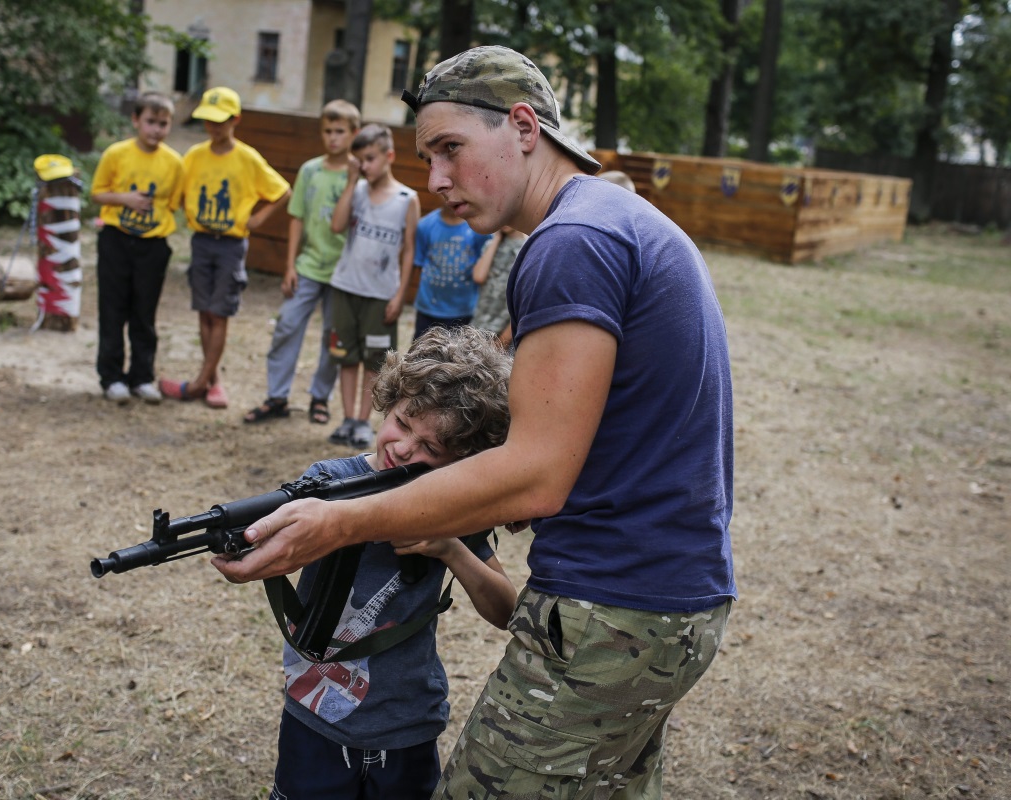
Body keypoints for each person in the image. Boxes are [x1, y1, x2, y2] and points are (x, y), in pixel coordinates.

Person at [215, 44, 736, 799]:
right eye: (428, 158)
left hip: (613, 608)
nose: (437, 180)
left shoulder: (571, 243)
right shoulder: (616, 220)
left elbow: (535, 475)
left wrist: (339, 523)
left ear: (524, 127)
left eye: (451, 149)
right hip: (671, 601)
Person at [271, 325, 519, 800]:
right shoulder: (326, 482)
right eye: (403, 424)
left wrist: (449, 546)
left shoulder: (452, 506)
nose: (404, 448)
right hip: (315, 712)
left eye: (431, 449)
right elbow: (267, 547)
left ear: (460, 464)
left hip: (407, 724)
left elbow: (506, 609)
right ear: (387, 402)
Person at [161, 86, 291, 409]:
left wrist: (259, 218)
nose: (213, 127)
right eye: (208, 121)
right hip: (201, 241)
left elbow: (282, 191)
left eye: (220, 121)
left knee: (220, 313)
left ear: (236, 120)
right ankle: (213, 380)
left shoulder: (247, 158)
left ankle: (200, 383)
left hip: (231, 245)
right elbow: (177, 196)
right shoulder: (193, 156)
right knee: (204, 310)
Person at [243, 99, 361, 426]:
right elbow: (296, 218)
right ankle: (276, 396)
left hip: (343, 274)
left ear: (354, 133)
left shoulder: (360, 175)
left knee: (332, 337)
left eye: (340, 132)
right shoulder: (310, 170)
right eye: (327, 131)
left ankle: (320, 397)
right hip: (308, 265)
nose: (333, 138)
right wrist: (290, 265)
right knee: (287, 325)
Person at [323, 123, 420, 450]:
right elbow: (337, 225)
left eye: (369, 158)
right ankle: (347, 418)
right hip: (346, 288)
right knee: (345, 356)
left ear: (389, 156)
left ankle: (364, 421)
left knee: (375, 362)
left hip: (381, 296)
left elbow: (408, 250)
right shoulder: (358, 190)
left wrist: (400, 294)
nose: (363, 166)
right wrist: (352, 181)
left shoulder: (408, 199)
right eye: (359, 160)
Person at [90, 91, 184, 405]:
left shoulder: (173, 162)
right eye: (150, 122)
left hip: (153, 246)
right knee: (113, 310)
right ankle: (112, 376)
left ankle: (142, 376)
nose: (156, 130)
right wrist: (125, 199)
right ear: (135, 120)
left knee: (144, 314)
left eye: (163, 123)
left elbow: (174, 204)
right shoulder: (116, 154)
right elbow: (98, 193)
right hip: (116, 240)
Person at [411, 204, 490, 340]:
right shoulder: (425, 225)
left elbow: (484, 265)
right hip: (428, 309)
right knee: (422, 355)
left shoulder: (478, 228)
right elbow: (419, 263)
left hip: (462, 311)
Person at [469, 226, 527, 351]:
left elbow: (523, 303)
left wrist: (503, 340)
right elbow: (479, 276)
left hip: (503, 333)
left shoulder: (527, 249)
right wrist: (497, 238)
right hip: (479, 326)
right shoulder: (491, 244)